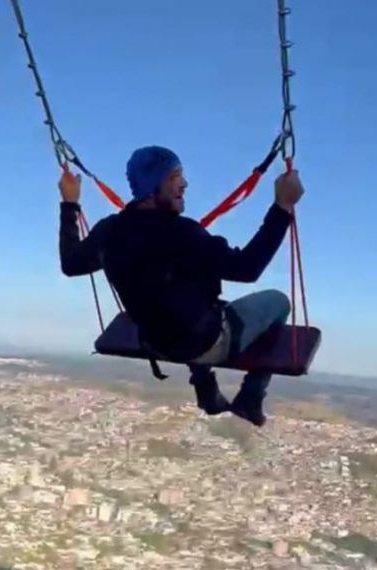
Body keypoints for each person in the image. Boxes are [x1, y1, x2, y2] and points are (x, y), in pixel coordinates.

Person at [57, 145, 304, 427]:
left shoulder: (109, 231)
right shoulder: (184, 234)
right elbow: (248, 268)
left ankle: (205, 387)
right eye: (175, 177)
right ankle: (251, 395)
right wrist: (283, 207)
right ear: (153, 186)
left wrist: (69, 203)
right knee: (278, 301)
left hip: (154, 340)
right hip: (201, 342)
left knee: (181, 300)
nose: (184, 183)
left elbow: (71, 264)